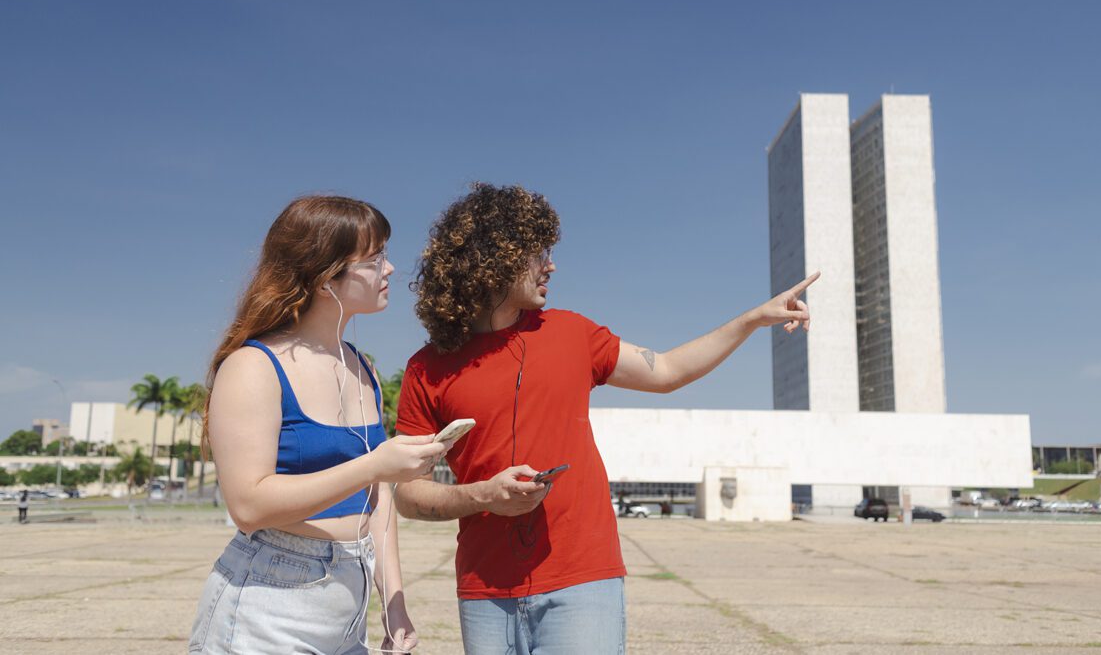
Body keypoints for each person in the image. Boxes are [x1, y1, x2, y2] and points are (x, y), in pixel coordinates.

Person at [394, 183, 818, 654]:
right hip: (484, 591)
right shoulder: (427, 368)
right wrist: (482, 495)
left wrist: (753, 319)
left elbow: (669, 371)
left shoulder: (575, 334)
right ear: (496, 258)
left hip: (582, 583)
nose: (550, 265)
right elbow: (408, 496)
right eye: (537, 252)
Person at [188, 196, 449, 655]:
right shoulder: (254, 366)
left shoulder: (362, 368)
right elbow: (249, 505)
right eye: (374, 259)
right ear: (326, 277)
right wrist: (374, 466)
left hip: (349, 606)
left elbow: (379, 497)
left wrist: (394, 603)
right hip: (268, 606)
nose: (390, 270)